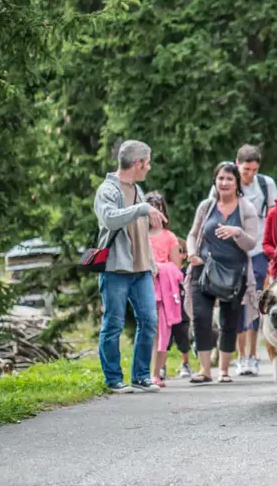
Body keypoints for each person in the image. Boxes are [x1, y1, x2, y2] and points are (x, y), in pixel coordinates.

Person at [93, 140, 167, 394]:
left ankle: (141, 376)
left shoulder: (138, 190)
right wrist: (142, 208)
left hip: (142, 268)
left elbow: (141, 231)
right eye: (147, 163)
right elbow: (109, 219)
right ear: (137, 163)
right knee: (112, 323)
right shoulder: (107, 190)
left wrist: (152, 261)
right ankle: (113, 379)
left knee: (149, 320)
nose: (149, 167)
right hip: (116, 269)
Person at [186, 162, 259, 384]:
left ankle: (224, 371)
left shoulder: (246, 208)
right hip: (204, 269)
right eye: (220, 178)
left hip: (234, 273)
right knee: (201, 317)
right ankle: (205, 370)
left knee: (229, 321)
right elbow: (192, 234)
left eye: (229, 179)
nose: (224, 183)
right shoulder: (206, 206)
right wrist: (191, 254)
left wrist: (237, 232)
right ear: (215, 181)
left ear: (237, 183)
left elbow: (251, 243)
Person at [232, 145, 277, 376]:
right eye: (245, 169)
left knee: (255, 303)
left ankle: (253, 354)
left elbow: (273, 215)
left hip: (258, 250)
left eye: (253, 169)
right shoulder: (228, 182)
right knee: (238, 304)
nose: (249, 174)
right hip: (235, 252)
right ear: (237, 163)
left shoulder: (265, 184)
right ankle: (241, 356)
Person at [146, 192, 185, 387]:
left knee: (162, 332)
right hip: (145, 288)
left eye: (159, 207)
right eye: (151, 208)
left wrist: (161, 268)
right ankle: (143, 371)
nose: (155, 213)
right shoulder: (140, 237)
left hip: (165, 290)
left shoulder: (170, 237)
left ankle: (156, 373)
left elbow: (176, 268)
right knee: (147, 330)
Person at [168, 238, 193, 378]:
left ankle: (185, 363)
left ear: (184, 255)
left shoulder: (186, 272)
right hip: (167, 311)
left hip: (182, 313)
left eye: (176, 251)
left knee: (183, 340)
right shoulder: (165, 270)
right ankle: (161, 366)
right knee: (164, 341)